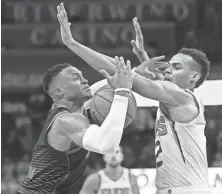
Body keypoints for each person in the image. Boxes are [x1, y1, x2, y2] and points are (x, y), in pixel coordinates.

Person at [57, 3, 215, 194]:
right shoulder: (173, 97)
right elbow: (142, 78)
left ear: (194, 77)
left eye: (177, 67)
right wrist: (142, 56)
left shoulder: (182, 98)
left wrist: (73, 44)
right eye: (169, 65)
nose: (168, 69)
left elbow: (123, 73)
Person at [17, 44, 135, 193]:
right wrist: (122, 93)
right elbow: (107, 145)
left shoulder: (76, 107)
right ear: (59, 91)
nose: (85, 80)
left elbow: (101, 85)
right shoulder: (66, 121)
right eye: (76, 78)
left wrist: (134, 74)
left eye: (82, 76)